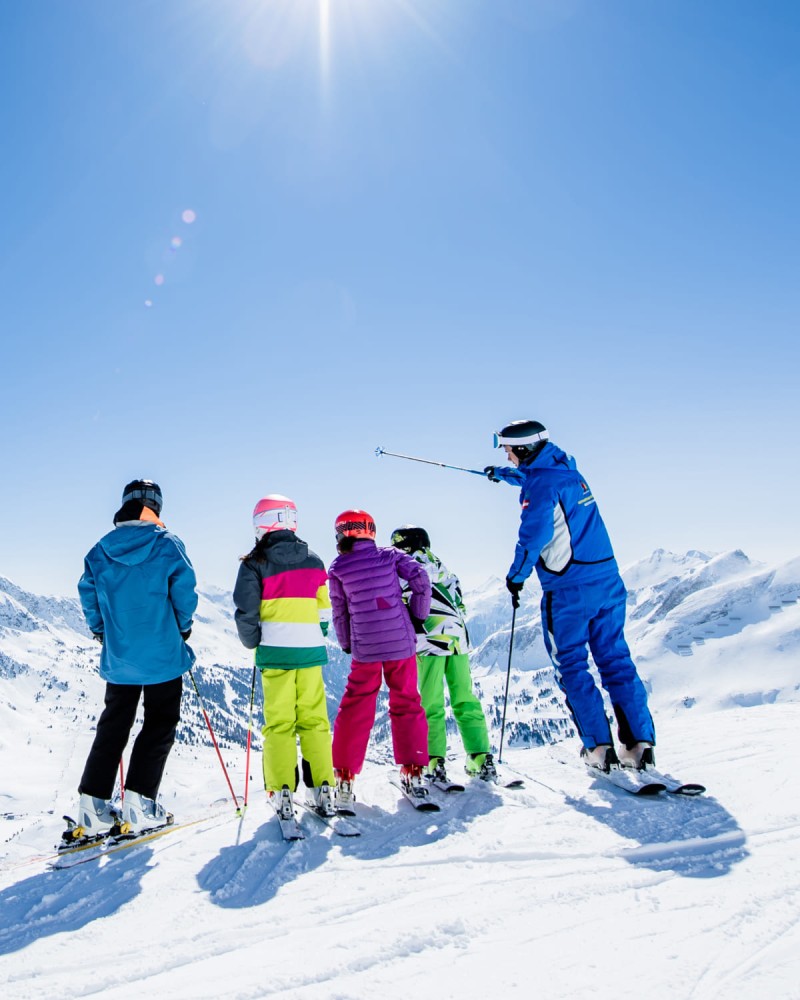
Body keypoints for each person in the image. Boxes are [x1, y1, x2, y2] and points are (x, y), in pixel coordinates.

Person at [484, 420, 656, 775]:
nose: (505, 452)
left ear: (525, 448)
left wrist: (516, 577)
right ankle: (640, 745)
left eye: (507, 447)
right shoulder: (567, 471)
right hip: (607, 582)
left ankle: (599, 748)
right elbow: (541, 481)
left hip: (568, 591)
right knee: (615, 661)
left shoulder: (541, 485)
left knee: (573, 666)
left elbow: (534, 536)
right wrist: (503, 475)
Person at [74, 479, 197, 839]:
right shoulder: (168, 545)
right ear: (155, 506)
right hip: (162, 653)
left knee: (114, 724)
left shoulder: (100, 551)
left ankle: (93, 806)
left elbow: (88, 597)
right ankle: (140, 803)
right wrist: (183, 629)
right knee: (160, 722)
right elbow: (185, 595)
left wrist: (101, 631)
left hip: (121, 655)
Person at [233, 495, 336, 823]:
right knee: (315, 720)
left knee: (279, 724)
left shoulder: (253, 564)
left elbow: (246, 612)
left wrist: (254, 642)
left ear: (260, 524)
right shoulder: (315, 561)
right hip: (309, 651)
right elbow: (324, 608)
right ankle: (323, 787)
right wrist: (313, 633)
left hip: (276, 654)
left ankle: (282, 791)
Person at [328, 510, 431, 810]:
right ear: (371, 531)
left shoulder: (338, 568)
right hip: (400, 642)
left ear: (342, 534)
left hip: (366, 647)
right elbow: (420, 578)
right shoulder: (391, 556)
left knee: (356, 706)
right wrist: (417, 616)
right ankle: (413, 772)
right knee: (407, 701)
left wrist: (347, 643)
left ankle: (344, 778)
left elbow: (339, 610)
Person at [390, 525, 495, 784]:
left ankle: (433, 760)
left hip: (428, 638)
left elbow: (401, 602)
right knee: (464, 697)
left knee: (430, 702)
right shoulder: (442, 567)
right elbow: (460, 603)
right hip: (458, 639)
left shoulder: (403, 567)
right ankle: (480, 756)